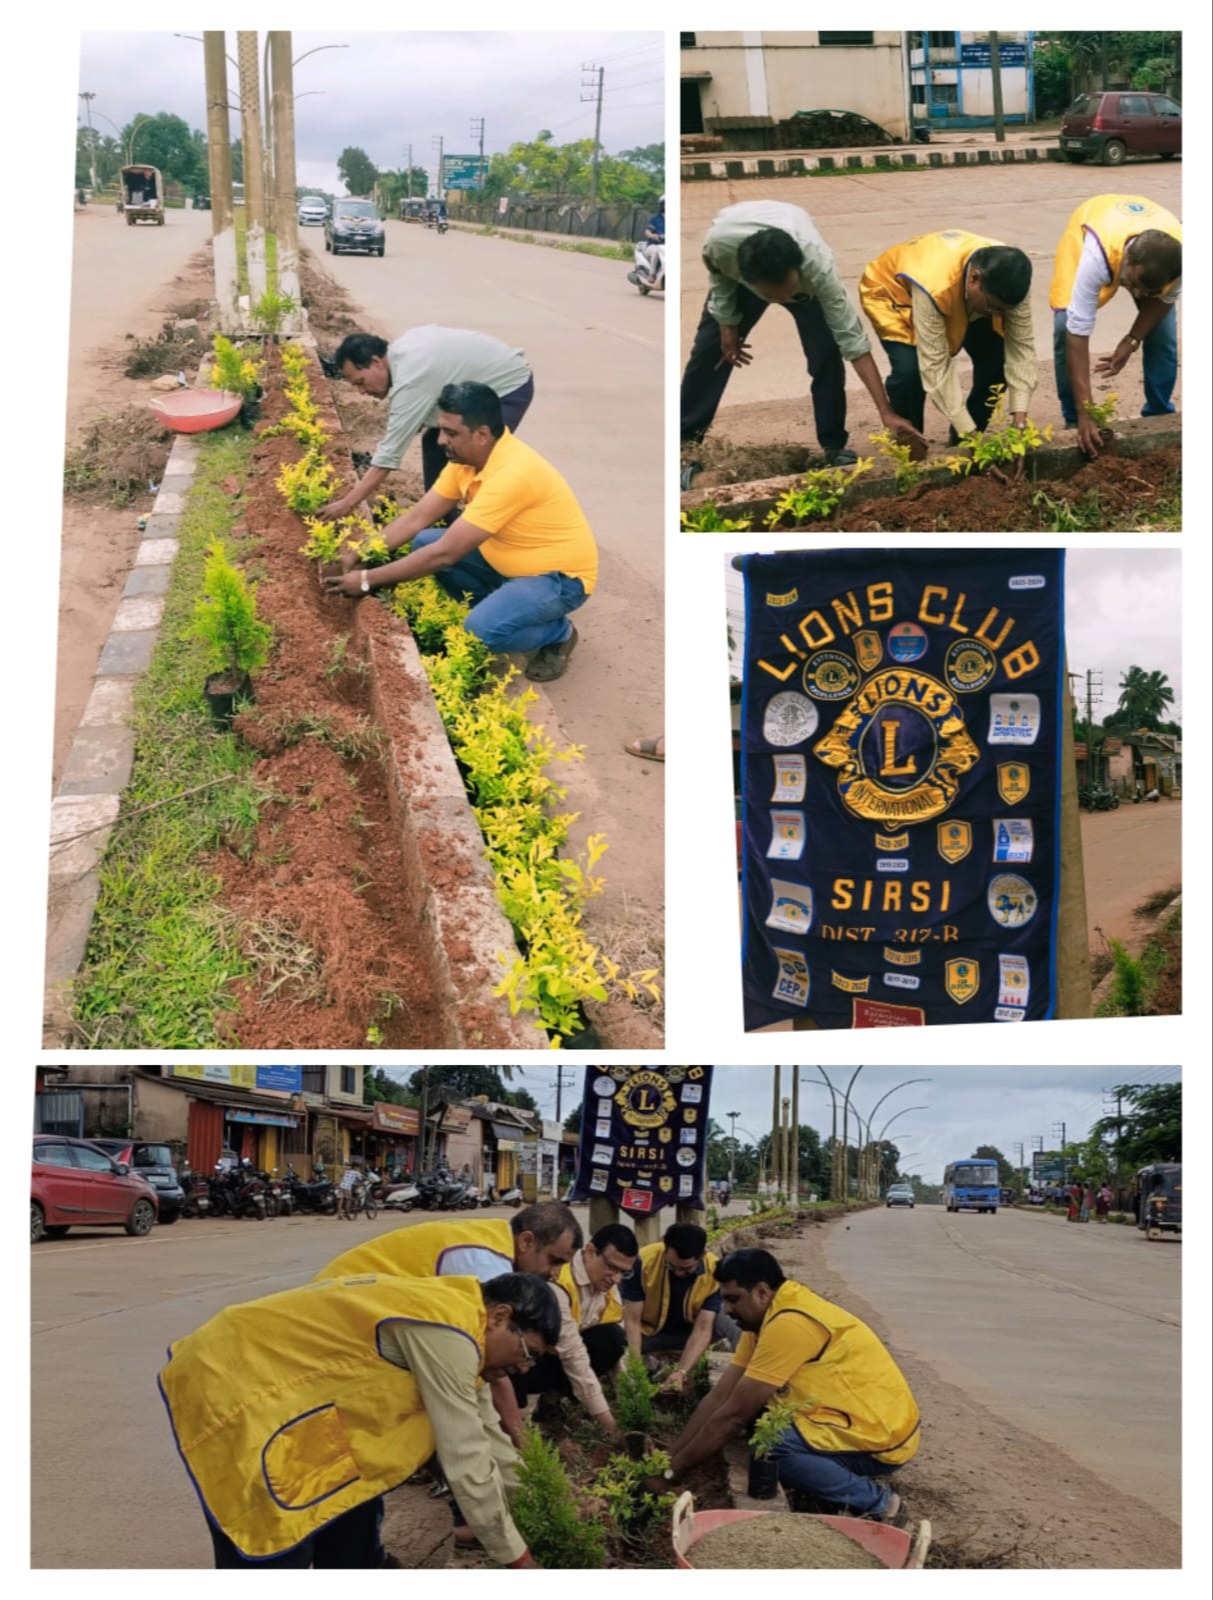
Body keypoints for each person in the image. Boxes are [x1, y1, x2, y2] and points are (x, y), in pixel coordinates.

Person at [159, 1271, 558, 1568]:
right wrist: (519, 1560)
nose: (525, 1369)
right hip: (238, 1382)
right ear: (500, 1316)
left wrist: (548, 1504)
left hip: (301, 1407)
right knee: (275, 1536)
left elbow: (491, 1441)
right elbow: (466, 1458)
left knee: (349, 1512)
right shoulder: (449, 1329)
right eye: (528, 1353)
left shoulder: (467, 1333)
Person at [324, 382, 596, 683]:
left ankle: (559, 633)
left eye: (450, 433)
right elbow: (417, 518)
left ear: (481, 435)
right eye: (441, 430)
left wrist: (367, 580)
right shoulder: (466, 461)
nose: (441, 440)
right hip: (508, 559)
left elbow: (445, 554)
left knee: (478, 632)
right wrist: (358, 553)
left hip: (558, 578)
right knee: (424, 540)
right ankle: (502, 608)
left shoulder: (513, 474)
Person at [653, 1249, 919, 1520]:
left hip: (878, 1439)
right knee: (758, 1419)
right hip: (846, 1419)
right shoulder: (764, 1319)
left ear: (761, 1292)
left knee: (771, 1452)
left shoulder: (790, 1323)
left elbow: (733, 1416)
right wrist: (668, 1459)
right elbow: (720, 1397)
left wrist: (671, 1474)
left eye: (733, 1299)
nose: (727, 1310)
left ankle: (881, 1504)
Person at [681, 200, 926, 481]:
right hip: (741, 260)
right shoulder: (720, 247)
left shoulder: (818, 268)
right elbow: (719, 274)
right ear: (746, 279)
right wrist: (727, 322)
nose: (784, 300)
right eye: (773, 296)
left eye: (788, 291)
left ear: (798, 269)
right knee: (710, 354)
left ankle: (833, 445)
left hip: (803, 278)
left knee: (827, 354)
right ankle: (684, 445)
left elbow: (853, 342)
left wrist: (886, 411)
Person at [859, 231, 1038, 472]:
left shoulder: (1011, 280)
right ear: (974, 279)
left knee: (997, 363)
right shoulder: (934, 283)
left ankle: (962, 443)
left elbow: (1022, 348)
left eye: (1004, 310)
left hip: (962, 295)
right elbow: (935, 367)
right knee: (910, 372)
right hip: (897, 294)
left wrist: (1019, 423)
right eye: (993, 308)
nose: (998, 315)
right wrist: (975, 442)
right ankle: (910, 452)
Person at [319, 328, 535, 508]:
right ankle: (441, 519)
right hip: (478, 383)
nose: (362, 392)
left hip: (507, 387)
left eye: (361, 382)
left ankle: (483, 527)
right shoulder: (401, 351)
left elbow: (389, 455)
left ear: (376, 362)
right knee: (435, 443)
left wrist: (347, 503)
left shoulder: (411, 379)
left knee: (474, 457)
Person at [1049, 194, 1181, 459]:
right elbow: (1077, 332)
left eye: (1149, 292)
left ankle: (1158, 414)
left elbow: (1164, 300)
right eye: (1135, 286)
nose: (1139, 295)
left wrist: (1132, 340)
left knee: (1163, 334)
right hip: (1095, 227)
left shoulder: (1182, 262)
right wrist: (1086, 411)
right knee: (1064, 324)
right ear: (1127, 260)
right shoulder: (1096, 256)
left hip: (1150, 248)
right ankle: (1075, 419)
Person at [512, 1223, 640, 1432]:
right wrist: (609, 1425)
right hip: (526, 1360)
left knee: (613, 1339)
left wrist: (632, 1401)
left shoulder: (607, 1285)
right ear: (589, 1252)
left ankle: (553, 1400)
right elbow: (574, 1356)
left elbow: (621, 1351)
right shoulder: (557, 1281)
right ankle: (525, 1418)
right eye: (611, 1267)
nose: (616, 1279)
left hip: (562, 1354)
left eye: (623, 1272)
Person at [621, 1222, 739, 1391]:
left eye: (686, 1269)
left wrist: (681, 1372)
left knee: (731, 1317)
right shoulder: (642, 1261)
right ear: (664, 1248)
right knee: (613, 1334)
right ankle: (651, 1365)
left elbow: (703, 1328)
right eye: (671, 1266)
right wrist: (635, 1367)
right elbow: (632, 1320)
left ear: (702, 1255)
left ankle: (748, 1374)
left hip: (689, 1333)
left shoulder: (714, 1270)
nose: (678, 1273)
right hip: (648, 1333)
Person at [629, 194, 665, 287]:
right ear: (662, 205)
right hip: (653, 246)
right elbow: (648, 231)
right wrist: (653, 236)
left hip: (665, 246)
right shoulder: (655, 218)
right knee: (657, 250)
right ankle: (652, 274)